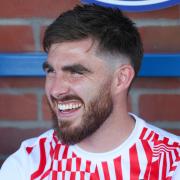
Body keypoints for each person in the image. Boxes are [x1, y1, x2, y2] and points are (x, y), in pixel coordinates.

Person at [0, 4, 179, 180]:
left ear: (121, 79)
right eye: (51, 71)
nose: (56, 90)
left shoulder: (172, 164)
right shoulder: (28, 163)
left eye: (76, 72)